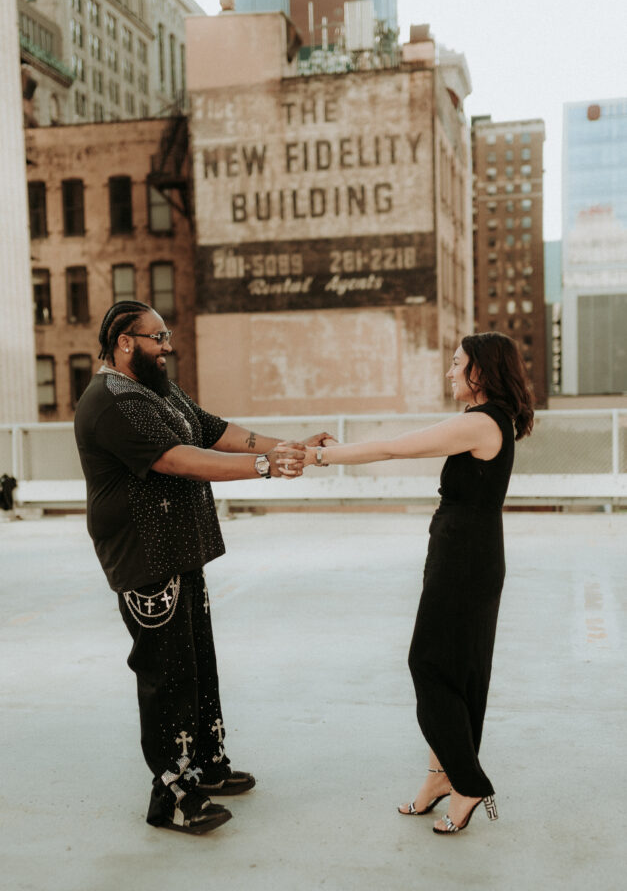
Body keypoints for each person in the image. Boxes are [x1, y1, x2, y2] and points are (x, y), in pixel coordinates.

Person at [74, 300, 333, 836]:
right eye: (156, 336)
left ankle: (206, 767)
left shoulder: (158, 389)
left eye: (166, 334)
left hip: (180, 548)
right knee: (165, 673)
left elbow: (212, 430)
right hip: (144, 556)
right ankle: (171, 794)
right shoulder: (108, 400)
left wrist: (286, 448)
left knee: (197, 662)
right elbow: (175, 458)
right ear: (125, 341)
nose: (167, 345)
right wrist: (263, 467)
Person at [291, 332, 534, 835]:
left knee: (428, 664)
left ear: (480, 373)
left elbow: (390, 448)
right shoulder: (490, 422)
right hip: (465, 551)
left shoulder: (481, 423)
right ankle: (437, 779)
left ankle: (467, 782)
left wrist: (317, 458)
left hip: (465, 558)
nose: (448, 372)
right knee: (455, 669)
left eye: (456, 364)